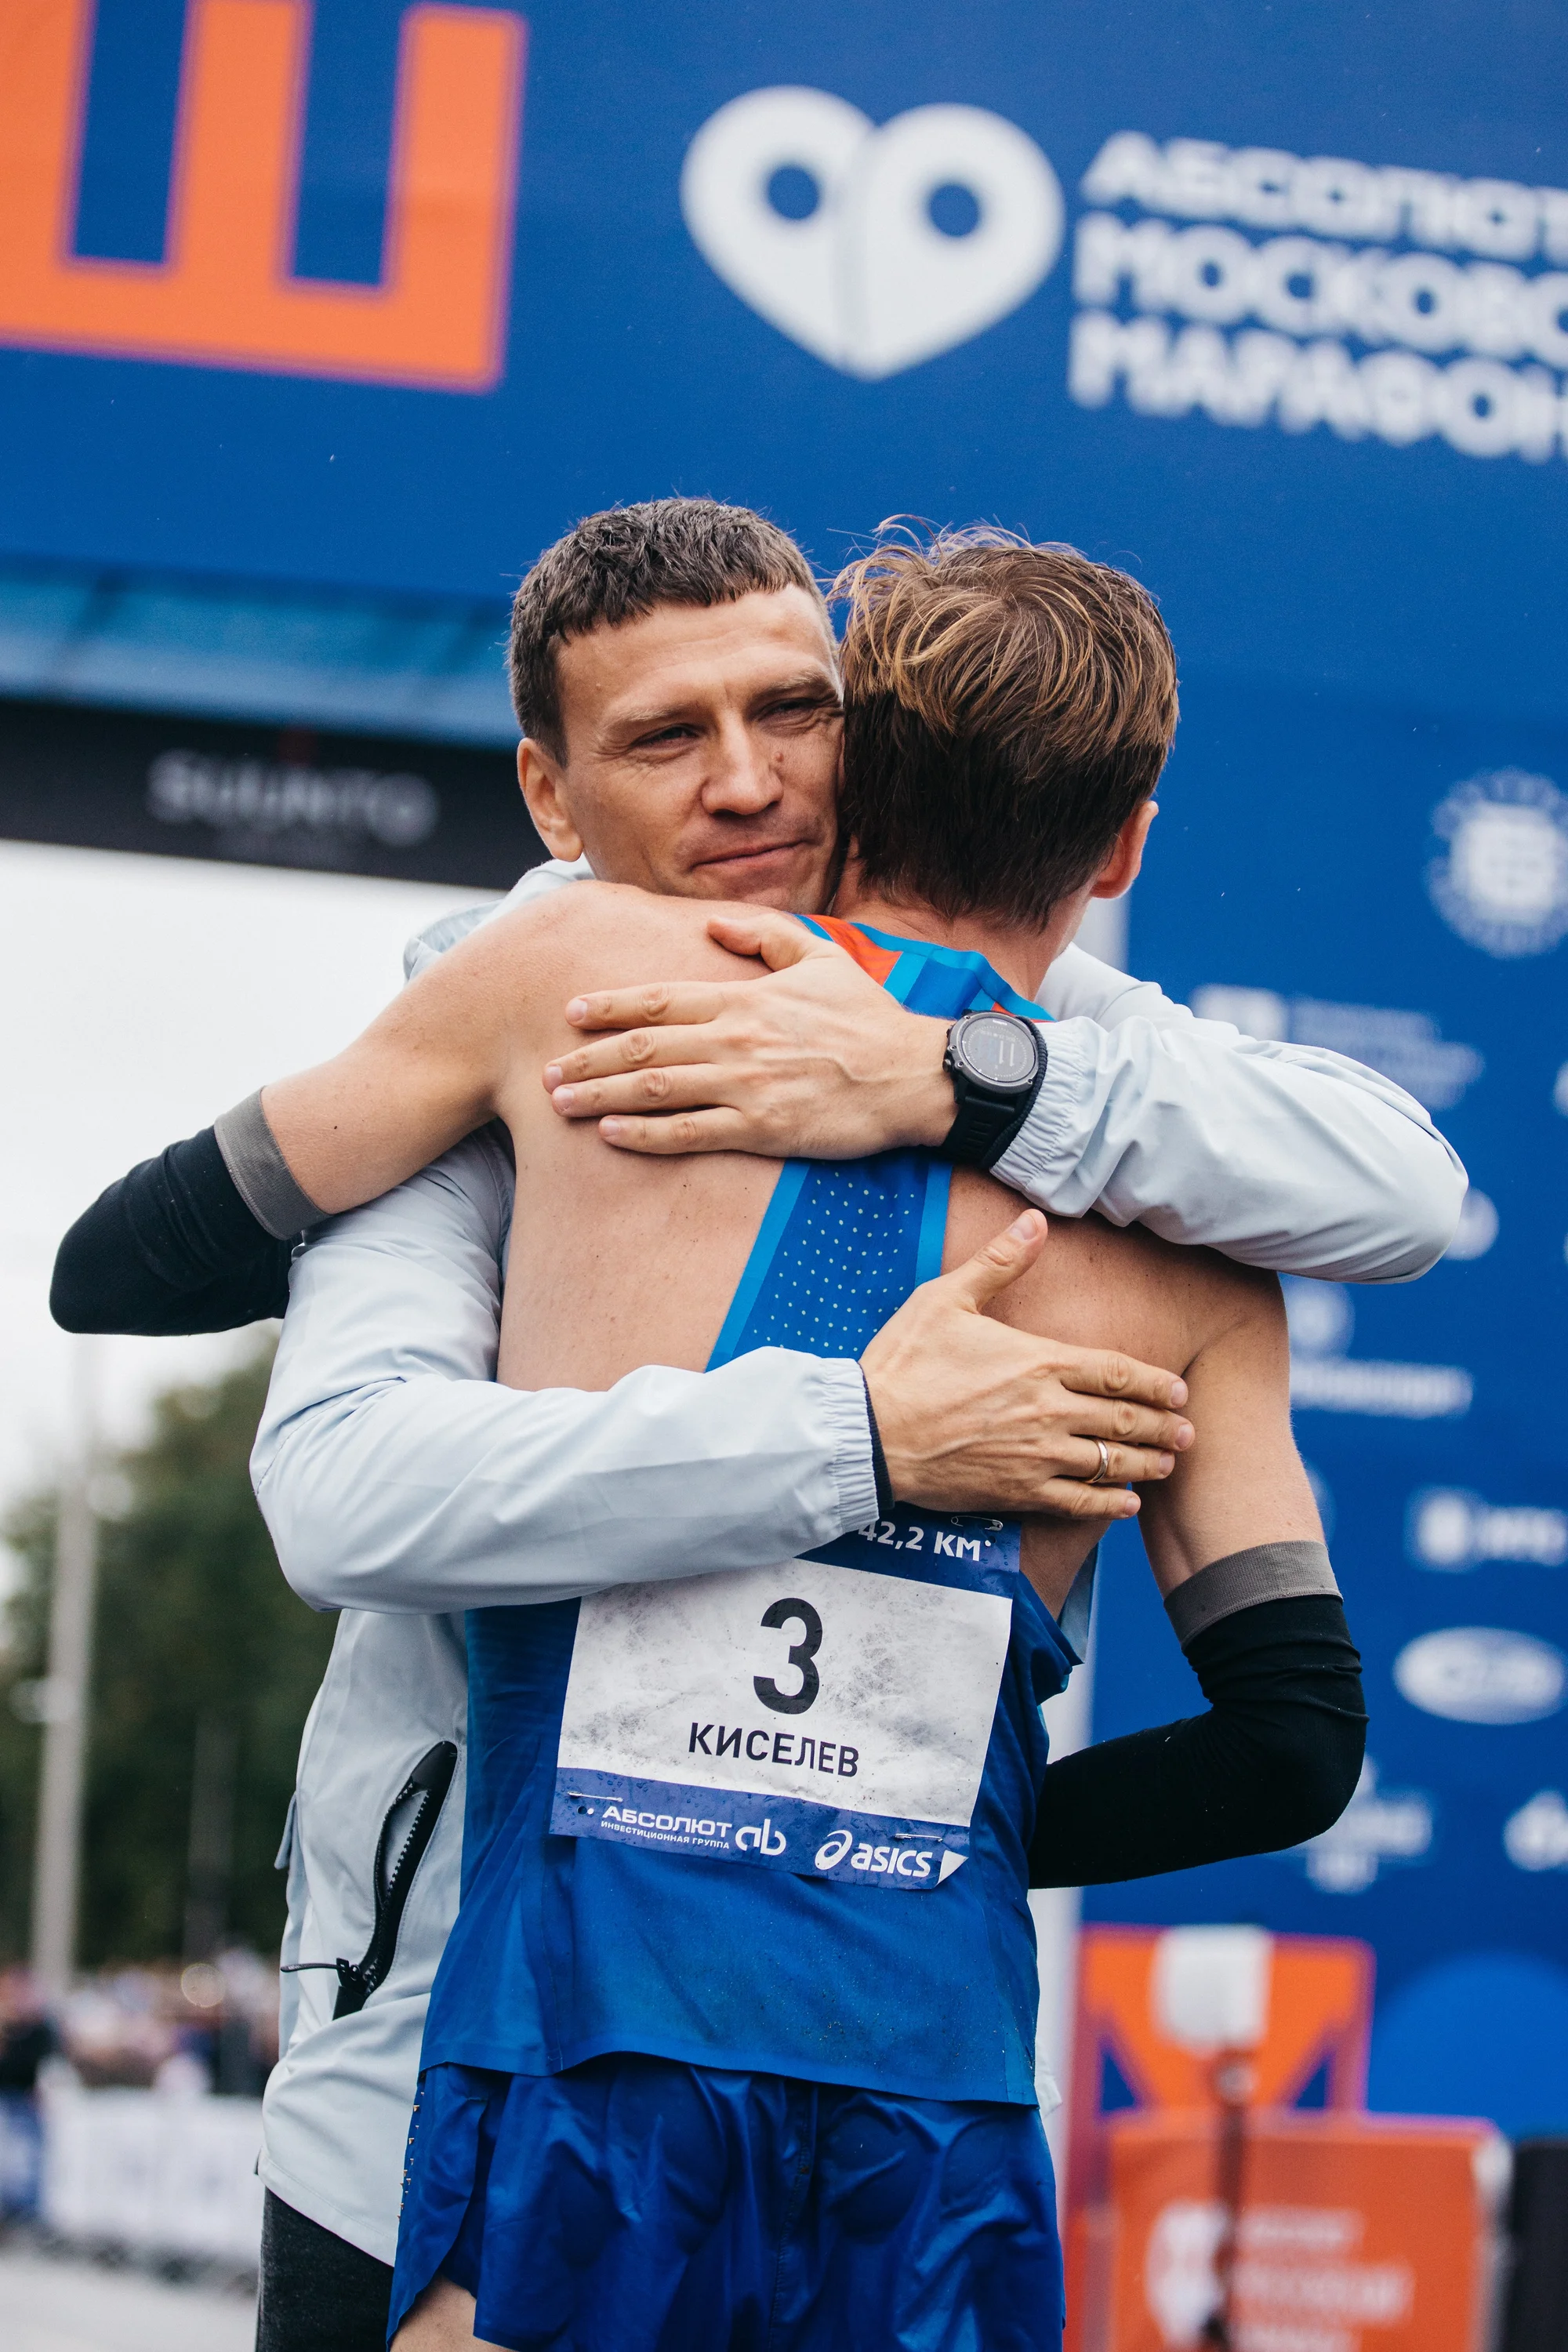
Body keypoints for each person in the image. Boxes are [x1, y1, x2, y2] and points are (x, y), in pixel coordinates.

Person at [49, 502, 1461, 2351]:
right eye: (662, 738)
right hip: (600, 2084)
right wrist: (862, 1458)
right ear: (551, 800)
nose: (741, 783)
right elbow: (328, 1489)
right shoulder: (540, 1002)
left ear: (865, 747)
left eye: (788, 715)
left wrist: (950, 1069)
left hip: (628, 2079)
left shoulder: (1083, 1079)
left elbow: (1409, 1187)